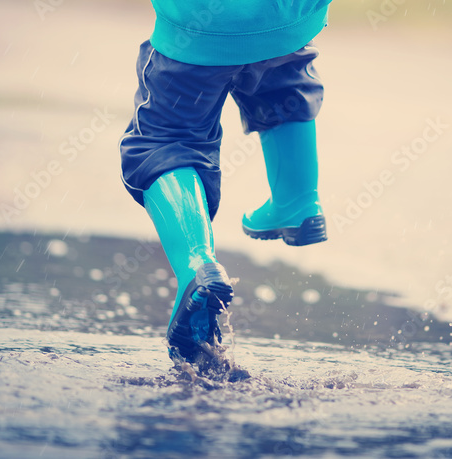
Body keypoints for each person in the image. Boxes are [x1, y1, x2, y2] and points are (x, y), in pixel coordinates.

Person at [119, 1, 332, 365]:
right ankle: (297, 201)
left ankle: (196, 266)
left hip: (199, 27)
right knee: (282, 84)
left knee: (165, 140)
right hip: (285, 20)